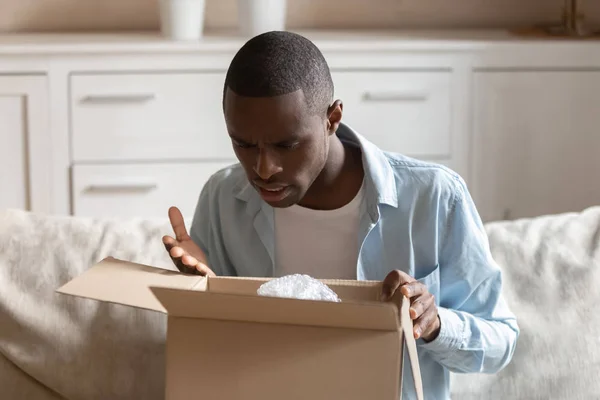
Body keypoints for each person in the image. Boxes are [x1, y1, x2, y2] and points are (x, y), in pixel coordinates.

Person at [162, 31, 519, 399]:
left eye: (287, 145)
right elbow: (214, 355)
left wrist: (435, 323)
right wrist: (201, 293)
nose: (263, 168)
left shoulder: (435, 198)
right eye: (244, 144)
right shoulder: (223, 198)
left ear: (332, 118)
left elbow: (501, 343)